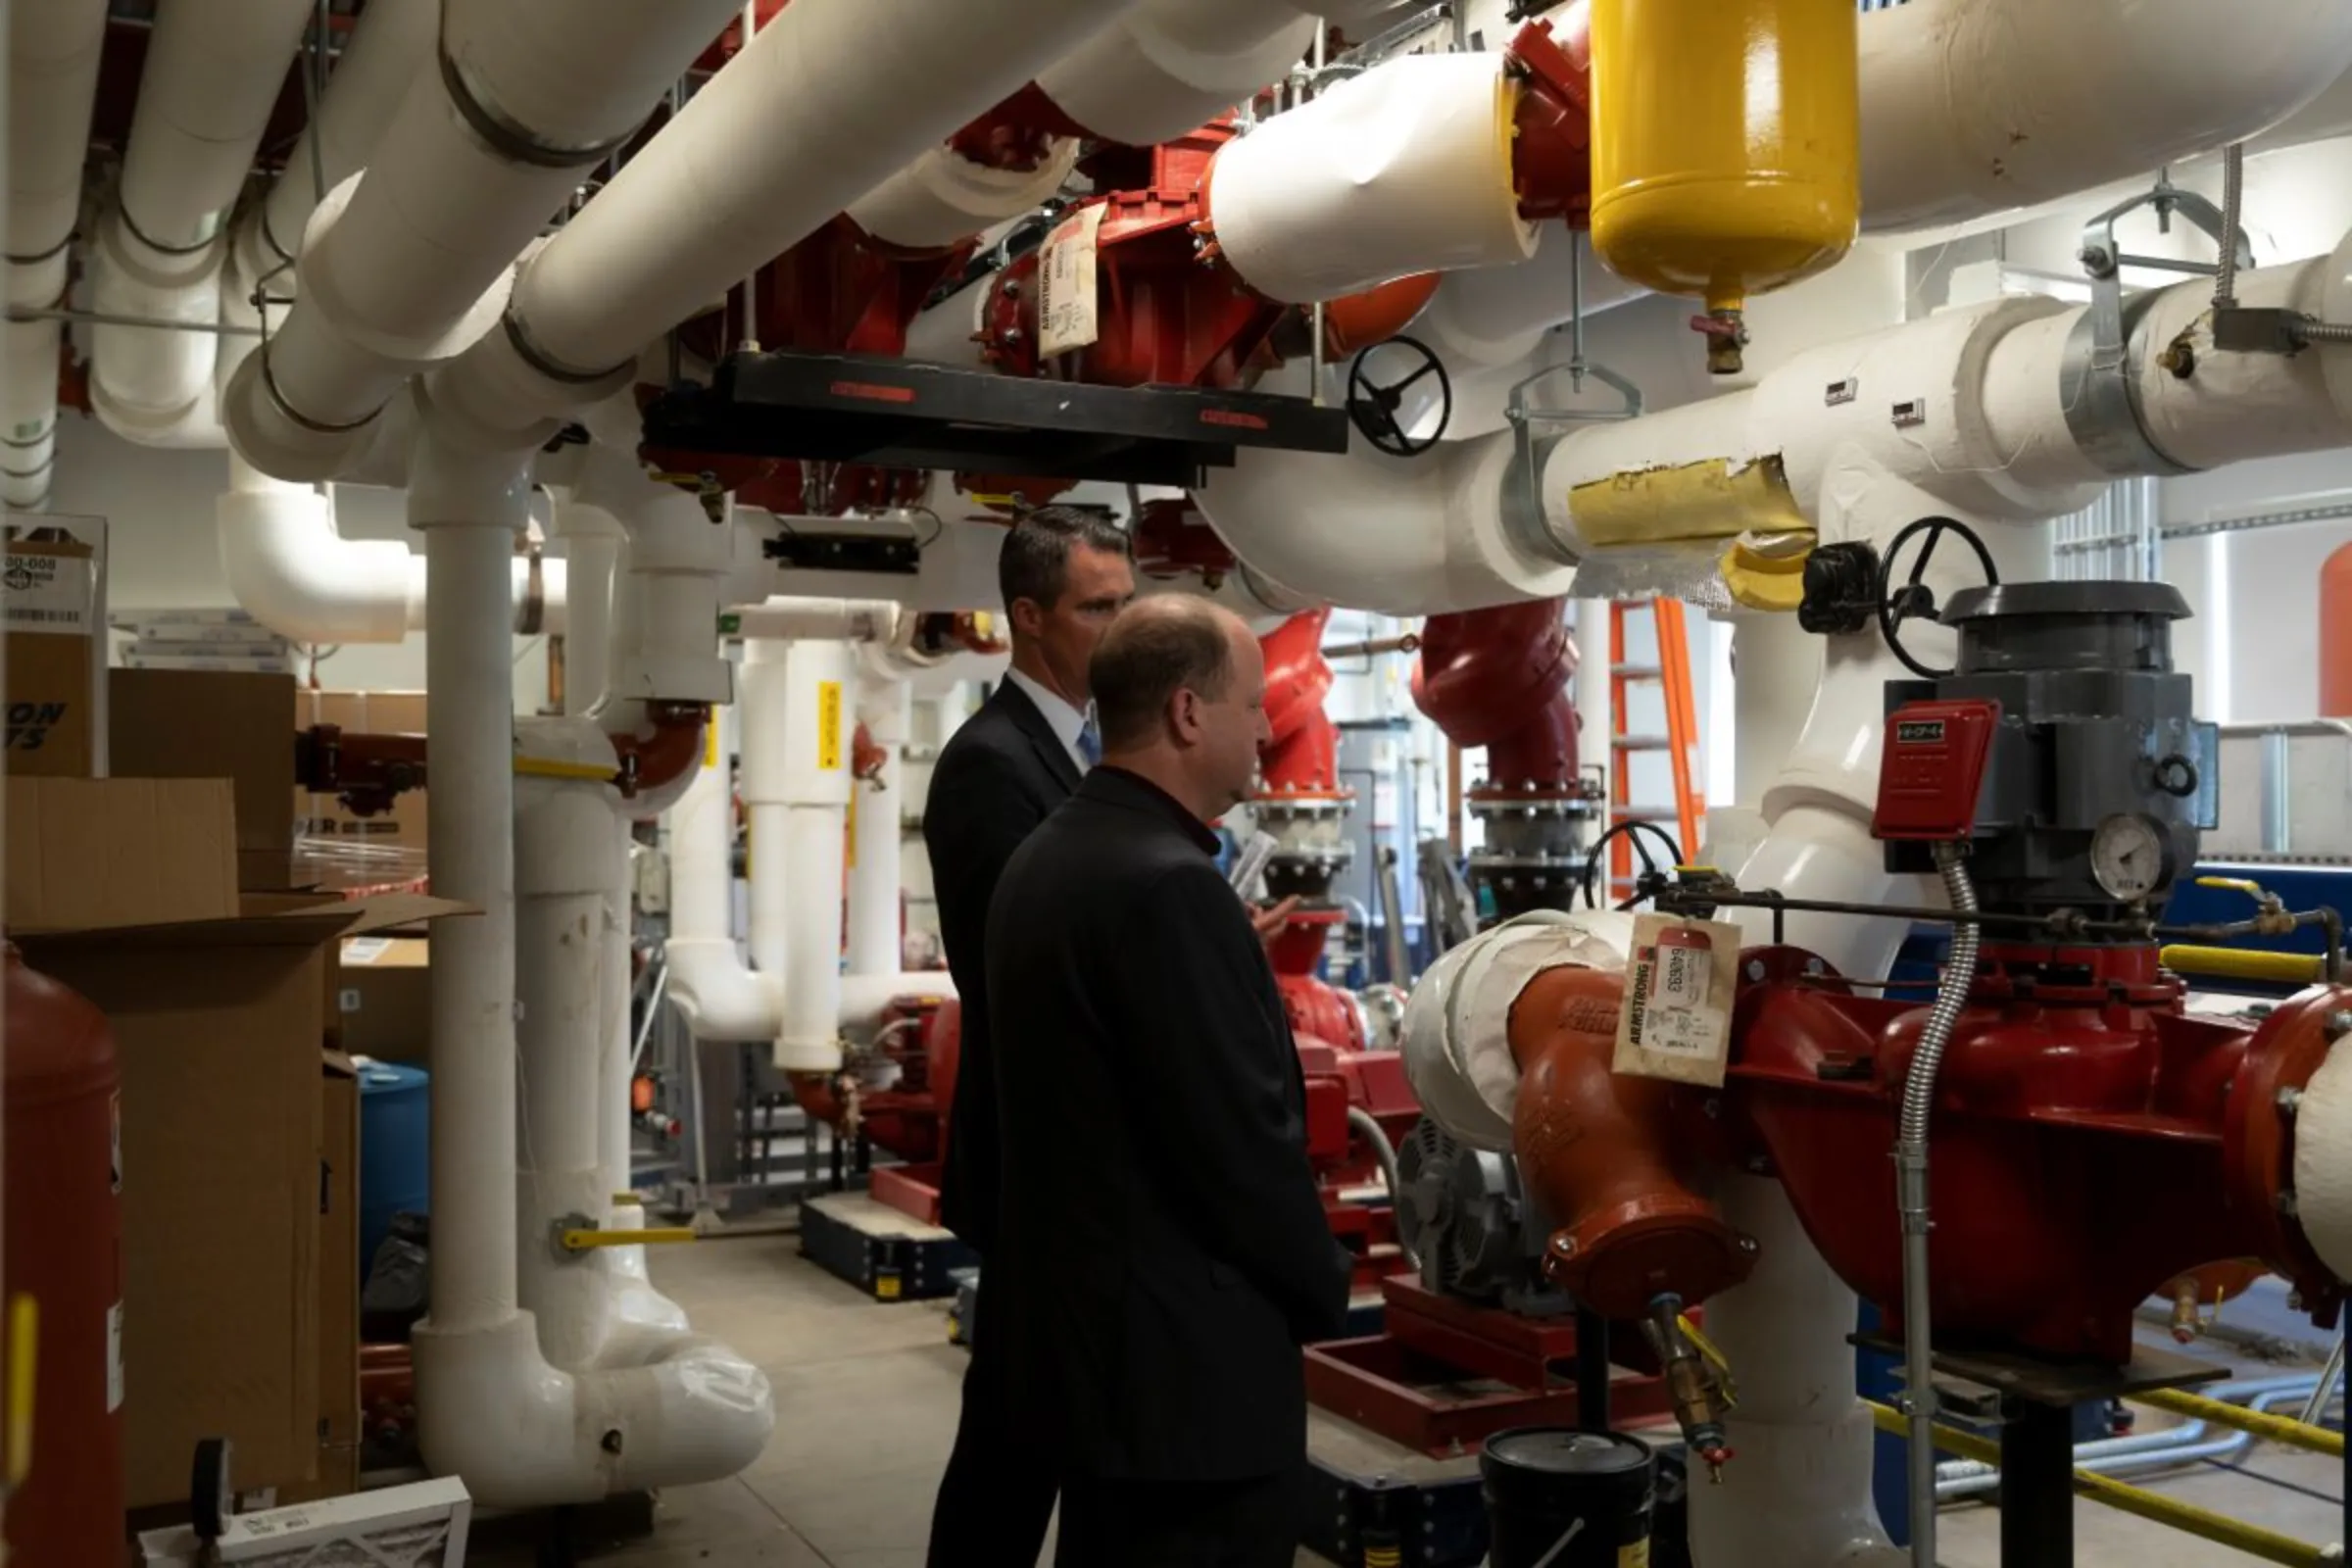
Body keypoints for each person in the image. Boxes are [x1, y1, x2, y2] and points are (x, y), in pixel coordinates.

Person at [988, 597, 1354, 1568]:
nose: (1268, 729)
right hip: (1189, 1396)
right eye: (1249, 706)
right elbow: (1240, 1152)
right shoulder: (1171, 888)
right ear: (1189, 713)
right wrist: (1327, 1288)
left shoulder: (1048, 855)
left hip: (1097, 1375)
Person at [921, 506, 1134, 1566]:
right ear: (1028, 617)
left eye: (1128, 602)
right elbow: (1012, 973)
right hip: (1041, 1166)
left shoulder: (1098, 754)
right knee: (1011, 1446)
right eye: (1100, 606)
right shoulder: (990, 765)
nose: (1123, 626)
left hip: (1089, 1174)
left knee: (1043, 1427)